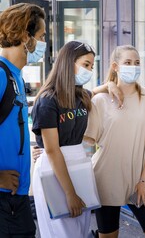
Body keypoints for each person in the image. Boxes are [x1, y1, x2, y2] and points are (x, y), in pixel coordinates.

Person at [84, 45, 145, 238]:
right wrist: (102, 89)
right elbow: (89, 139)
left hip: (141, 181)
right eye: (128, 63)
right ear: (115, 66)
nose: (134, 66)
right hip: (106, 180)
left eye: (137, 63)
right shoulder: (101, 100)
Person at [31, 40, 95, 237]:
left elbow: (97, 91)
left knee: (81, 230)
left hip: (80, 166)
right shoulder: (48, 100)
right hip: (55, 171)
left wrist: (111, 86)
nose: (90, 70)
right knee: (61, 232)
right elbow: (52, 150)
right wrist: (70, 193)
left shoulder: (82, 96)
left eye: (92, 66)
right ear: (69, 63)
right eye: (86, 65)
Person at [0, 2, 46, 237]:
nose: (43, 43)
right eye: (41, 36)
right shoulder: (0, 74)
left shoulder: (15, 76)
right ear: (24, 35)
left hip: (17, 199)